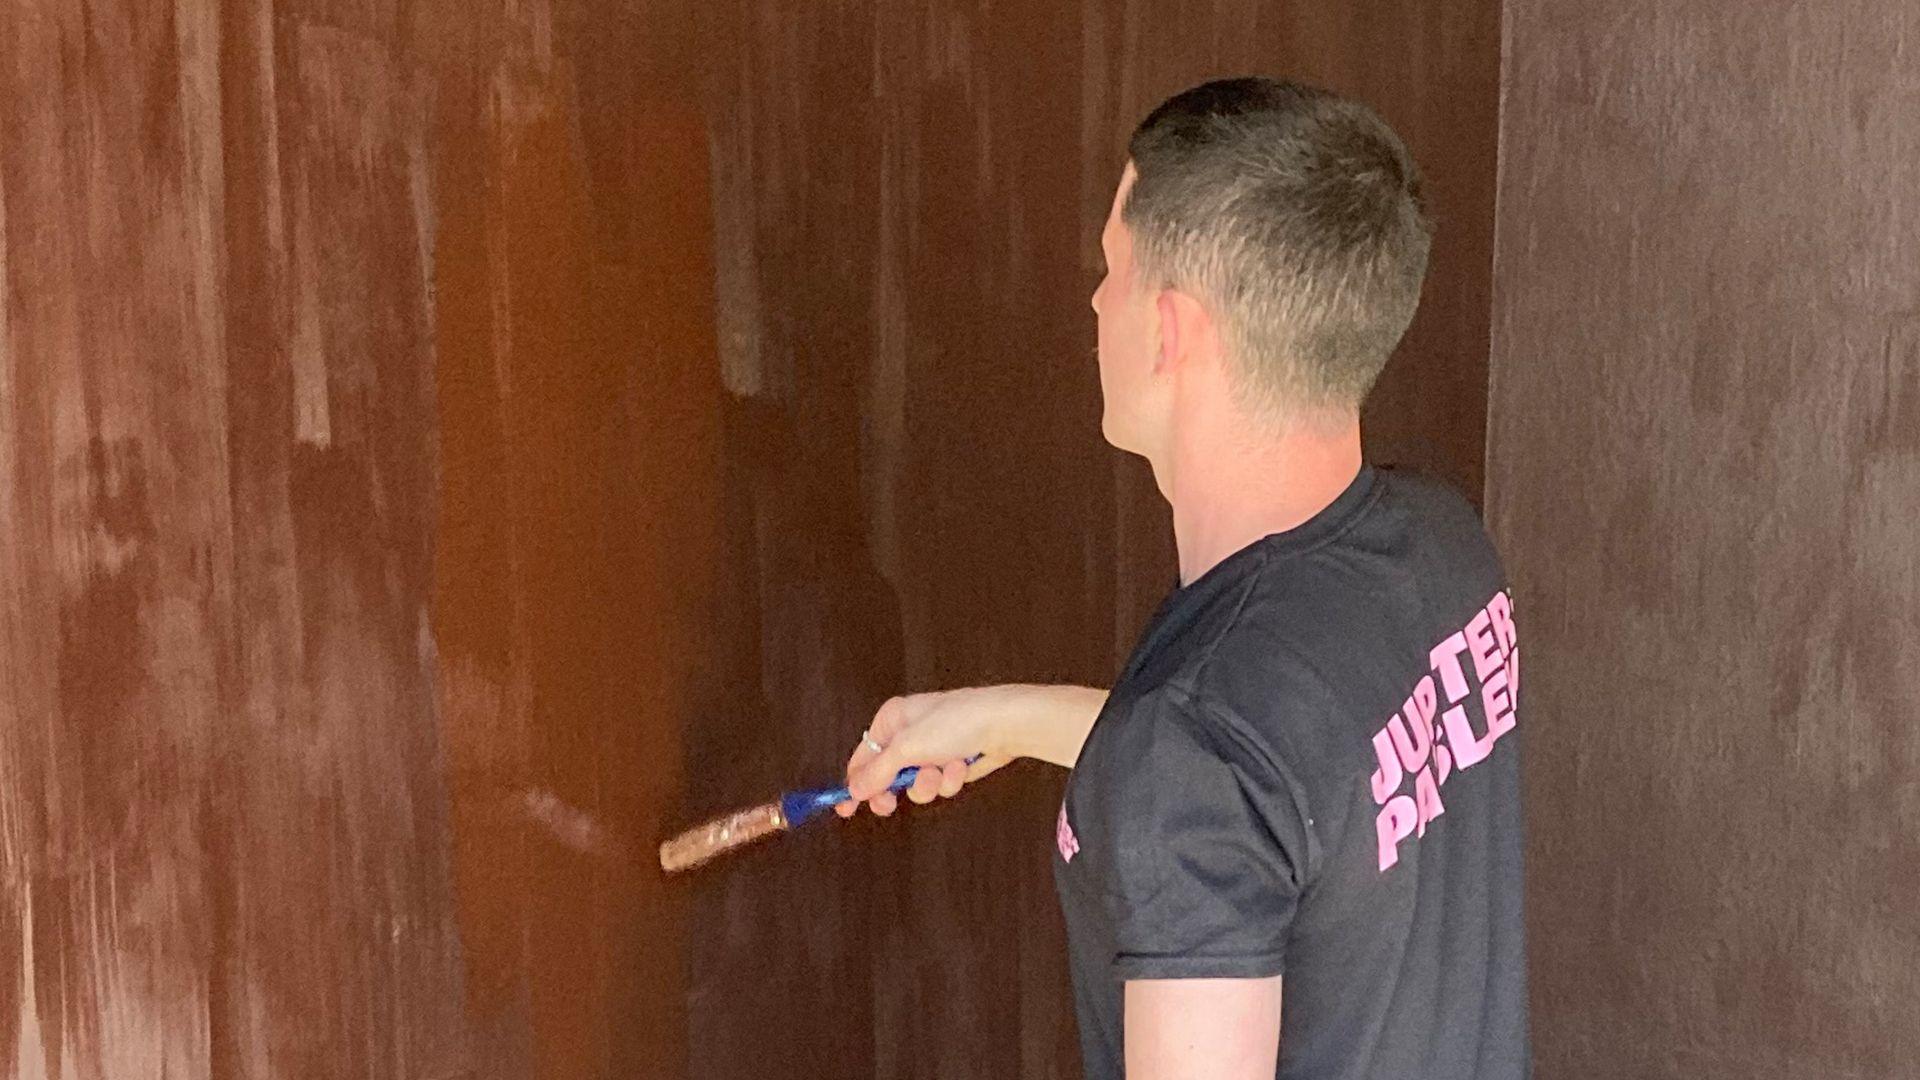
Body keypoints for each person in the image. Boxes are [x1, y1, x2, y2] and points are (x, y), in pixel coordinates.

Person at [836, 77, 1528, 1080]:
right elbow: (1287, 786)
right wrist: (1009, 719)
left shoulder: (1200, 747)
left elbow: (1229, 772)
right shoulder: (1443, 549)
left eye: (1108, 268)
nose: (1092, 298)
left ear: (1168, 330)